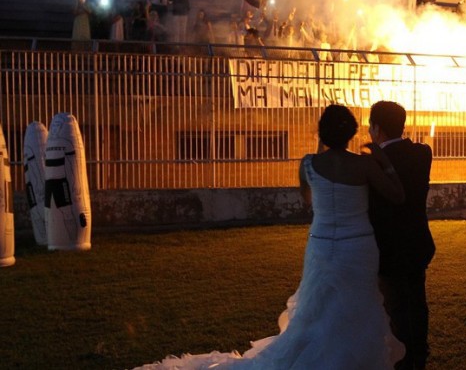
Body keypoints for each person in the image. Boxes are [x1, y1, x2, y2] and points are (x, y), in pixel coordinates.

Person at [134, 104, 406, 369]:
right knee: (356, 307)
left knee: (317, 310)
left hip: (322, 244)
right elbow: (398, 195)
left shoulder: (309, 165)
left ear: (322, 132)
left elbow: (309, 201)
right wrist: (386, 164)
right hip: (357, 246)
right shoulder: (365, 165)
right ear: (352, 132)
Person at [367, 101, 435, 370]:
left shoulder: (372, 161)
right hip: (417, 241)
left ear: (377, 128)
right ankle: (419, 353)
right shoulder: (422, 153)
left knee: (395, 306)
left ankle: (404, 357)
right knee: (417, 300)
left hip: (388, 245)